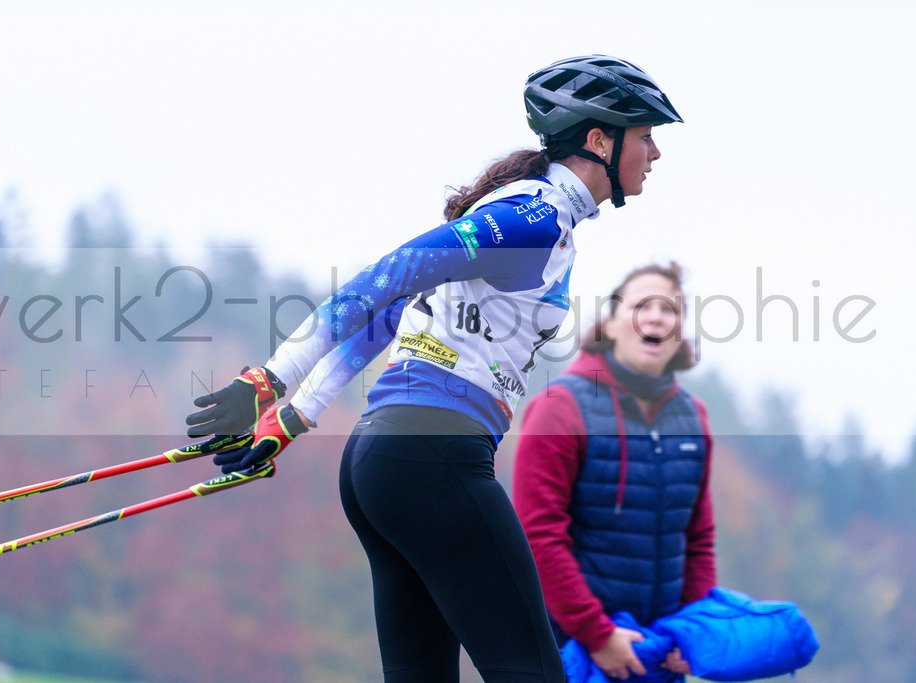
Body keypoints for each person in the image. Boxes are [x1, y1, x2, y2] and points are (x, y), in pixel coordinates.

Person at [184, 55, 683, 682]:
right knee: (530, 671)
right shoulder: (537, 215)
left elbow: (395, 314)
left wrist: (294, 415)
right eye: (645, 136)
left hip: (383, 462)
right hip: (433, 457)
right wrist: (271, 378)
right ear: (599, 139)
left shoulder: (542, 219)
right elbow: (388, 274)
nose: (656, 154)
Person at [512, 261, 717, 682]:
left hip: (656, 656)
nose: (658, 316)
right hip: (570, 650)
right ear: (611, 322)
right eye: (642, 305)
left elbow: (698, 540)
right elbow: (539, 535)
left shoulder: (694, 417)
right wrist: (598, 635)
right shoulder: (560, 406)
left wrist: (693, 633)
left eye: (672, 309)